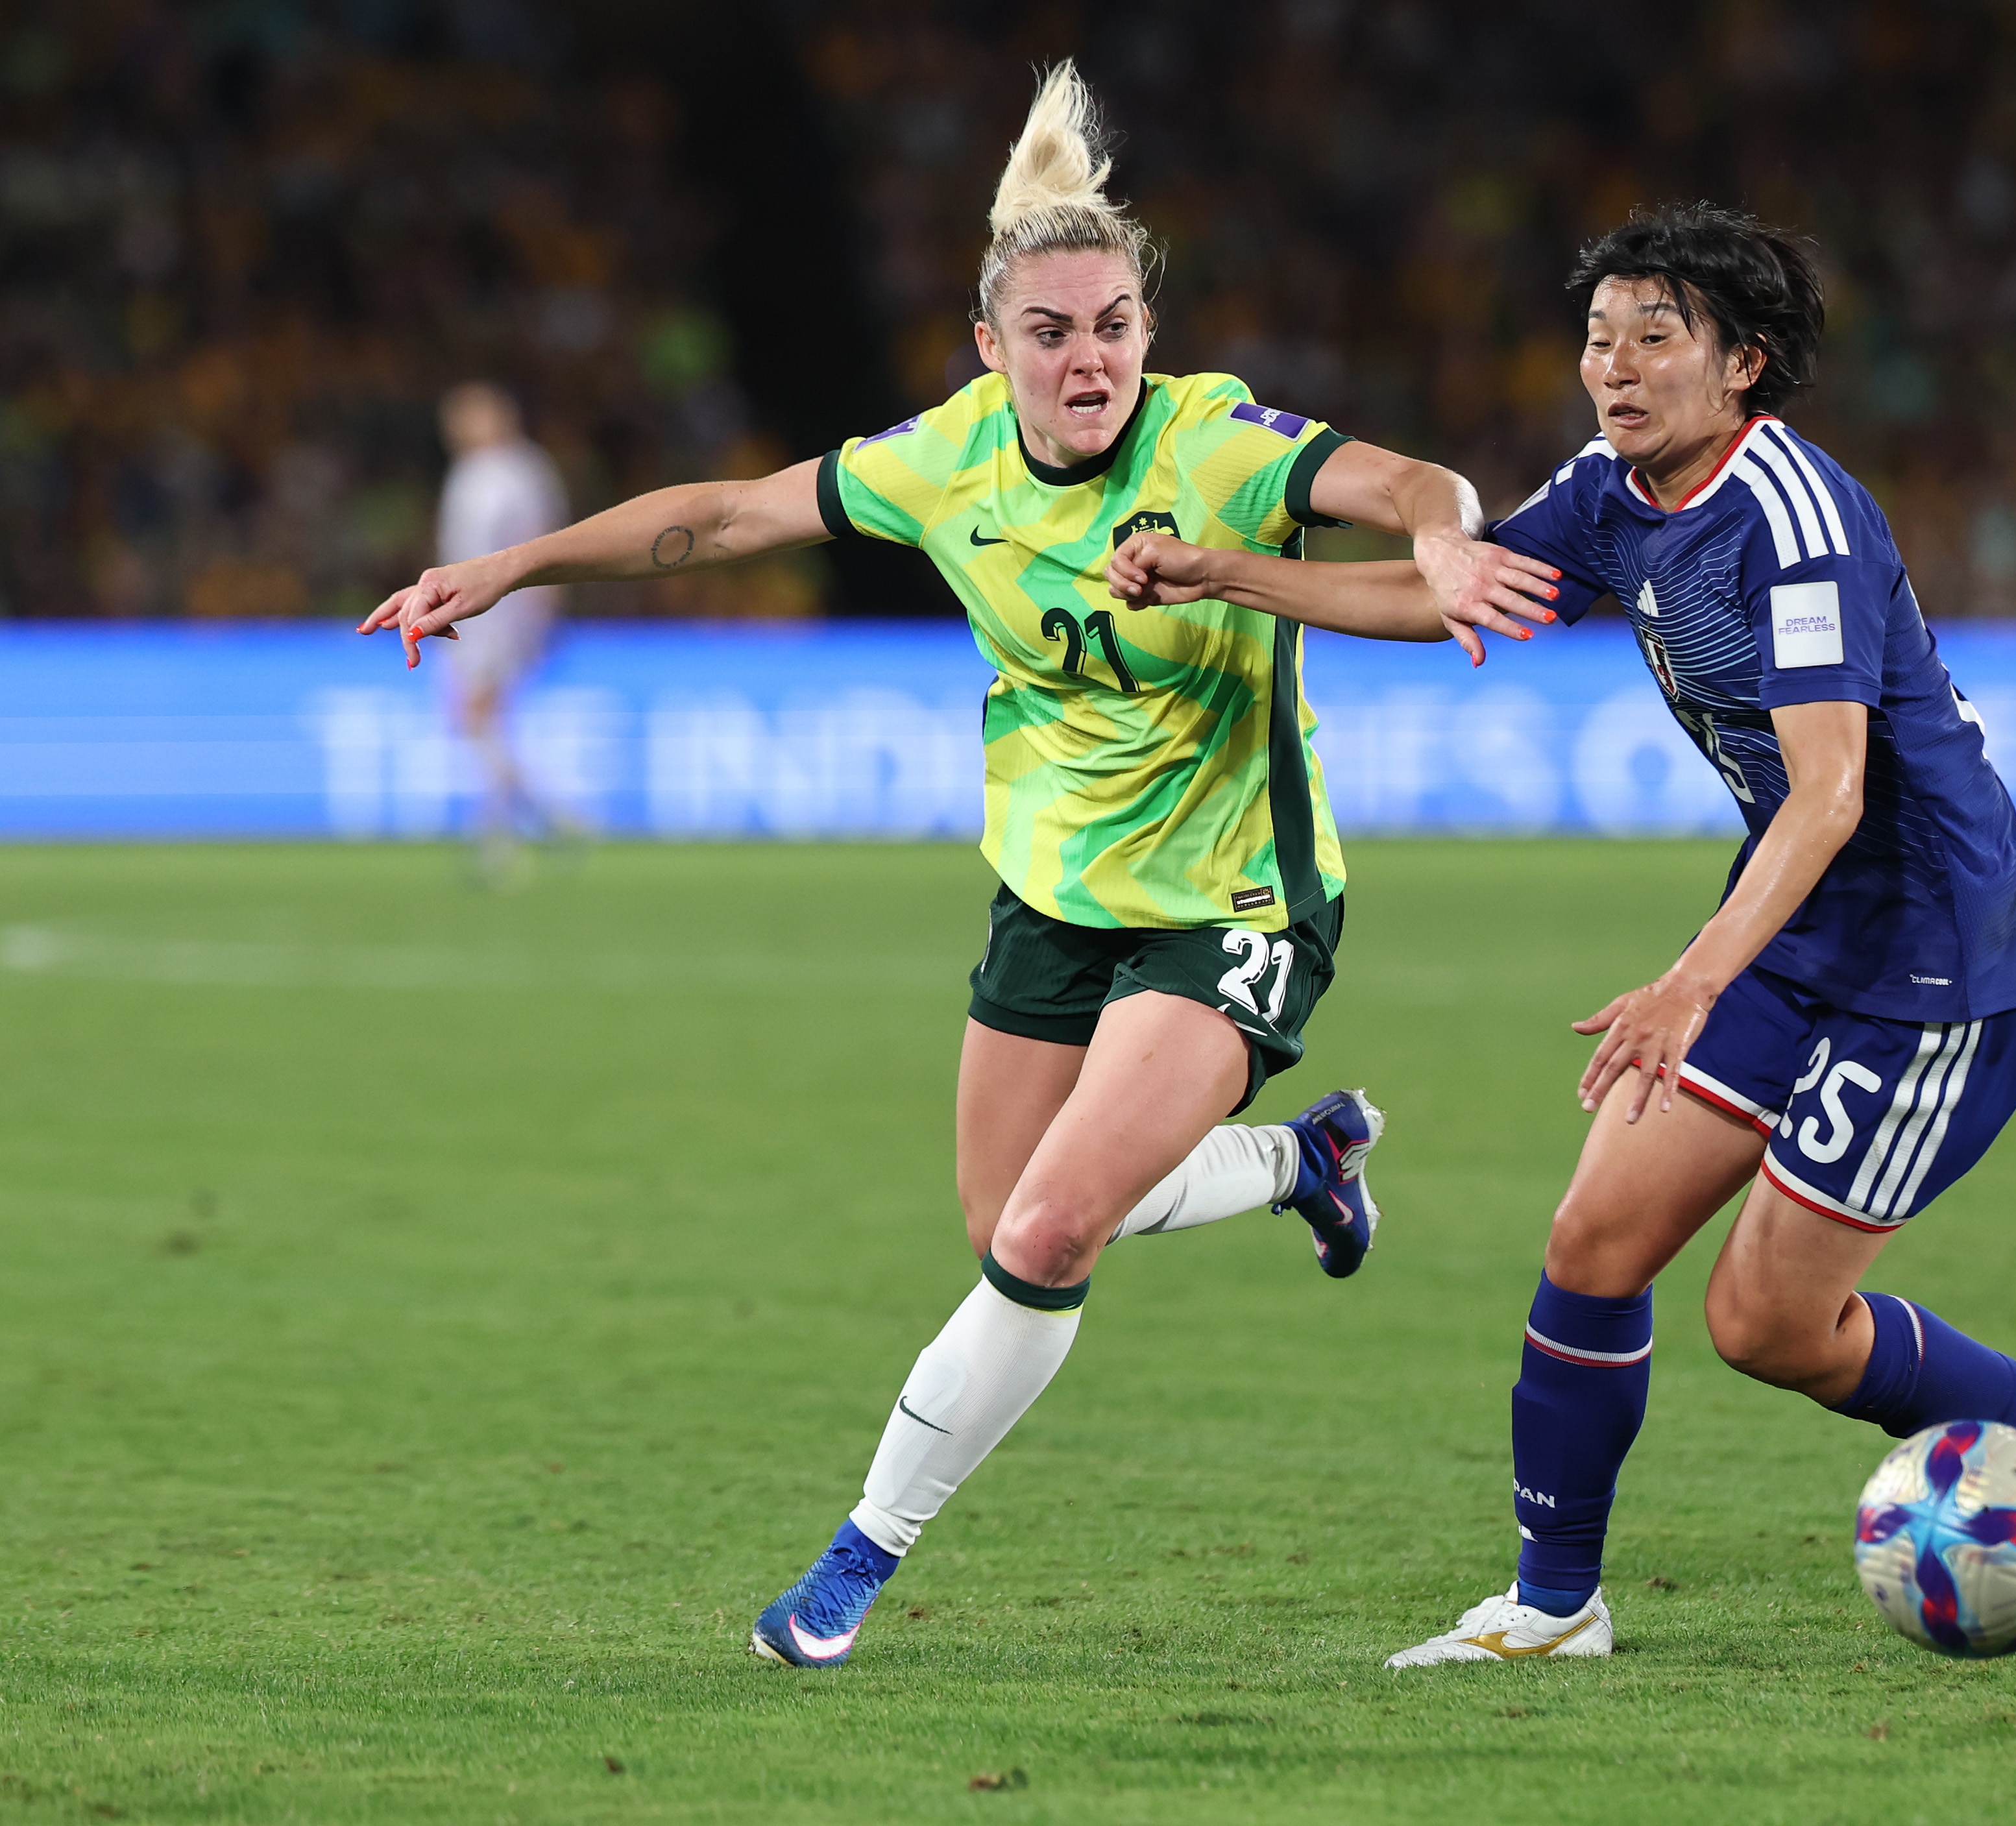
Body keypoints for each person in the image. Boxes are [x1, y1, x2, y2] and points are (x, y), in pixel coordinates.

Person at [360, 63, 1558, 1668]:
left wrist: (1441, 538)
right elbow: (723, 519)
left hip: (1235, 902)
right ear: (992, 349)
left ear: (1150, 329)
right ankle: (1300, 1165)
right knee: (1008, 1219)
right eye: (1052, 332)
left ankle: (853, 1567)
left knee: (1052, 1232)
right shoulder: (943, 462)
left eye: (1115, 325)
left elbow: (1414, 489)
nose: (1091, 360)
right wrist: (509, 566)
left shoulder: (1213, 442)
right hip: (1053, 898)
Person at [1112, 202, 2016, 1668]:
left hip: (1934, 965)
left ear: (1746, 367)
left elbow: (1834, 794)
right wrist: (1231, 575)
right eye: (1600, 337)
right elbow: (1453, 589)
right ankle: (1553, 1608)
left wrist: (1687, 979)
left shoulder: (1795, 521)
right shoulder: (1610, 487)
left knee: (1768, 1326)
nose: (1616, 365)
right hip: (1789, 937)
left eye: (1657, 338)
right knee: (1595, 1242)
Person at [433, 382, 574, 879]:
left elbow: (539, 544)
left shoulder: (507, 473)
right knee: (483, 723)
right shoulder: (495, 471)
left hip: (495, 616)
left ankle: (517, 838)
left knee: (476, 718)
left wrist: (538, 611)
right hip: (481, 614)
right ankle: (531, 827)